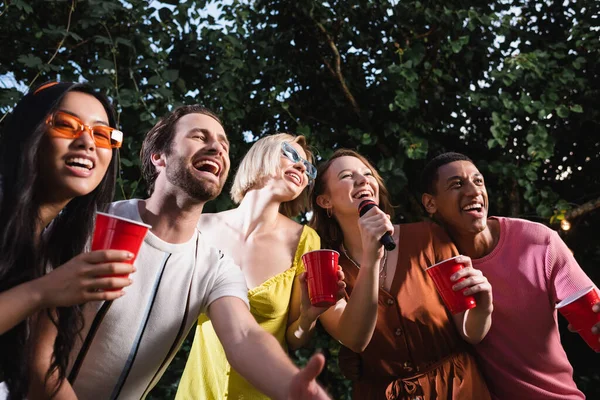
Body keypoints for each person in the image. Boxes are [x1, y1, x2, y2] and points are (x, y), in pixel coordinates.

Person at [29, 105, 331, 400]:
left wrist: (291, 384)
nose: (217, 148)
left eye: (224, 145)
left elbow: (244, 337)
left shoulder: (215, 266)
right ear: (159, 156)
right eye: (200, 137)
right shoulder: (91, 225)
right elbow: (33, 352)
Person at [176, 133, 348, 399]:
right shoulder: (201, 227)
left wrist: (308, 316)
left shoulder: (305, 240)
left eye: (308, 168)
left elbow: (294, 339)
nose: (302, 168)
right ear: (260, 157)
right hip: (197, 392)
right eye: (291, 155)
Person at [311, 149, 493, 399]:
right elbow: (354, 340)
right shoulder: (326, 269)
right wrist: (371, 258)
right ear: (325, 201)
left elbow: (470, 332)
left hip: (458, 389)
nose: (363, 180)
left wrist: (483, 310)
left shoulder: (428, 237)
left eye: (367, 174)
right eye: (346, 176)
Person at [421, 152, 597, 400]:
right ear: (430, 203)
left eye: (478, 181)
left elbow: (589, 303)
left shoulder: (539, 242)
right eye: (457, 184)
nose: (474, 192)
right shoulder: (432, 263)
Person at [0, 81, 134, 399]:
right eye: (65, 124)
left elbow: (42, 369)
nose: (87, 141)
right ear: (28, 131)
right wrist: (43, 292)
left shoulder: (53, 249)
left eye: (102, 134)